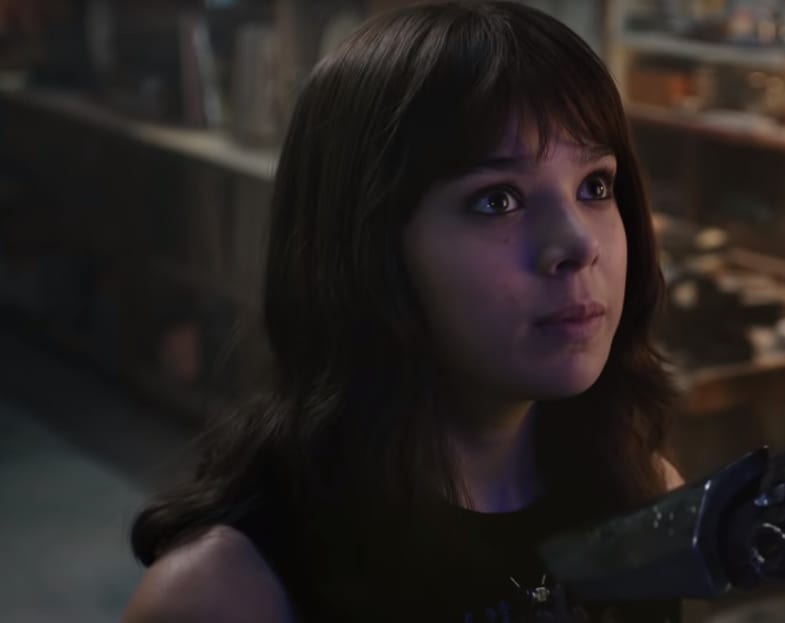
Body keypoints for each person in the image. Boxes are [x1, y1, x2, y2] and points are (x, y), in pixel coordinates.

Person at [122, 2, 684, 621]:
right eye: (498, 199)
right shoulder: (226, 595)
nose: (578, 244)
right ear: (364, 246)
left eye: (595, 186)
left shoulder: (645, 496)